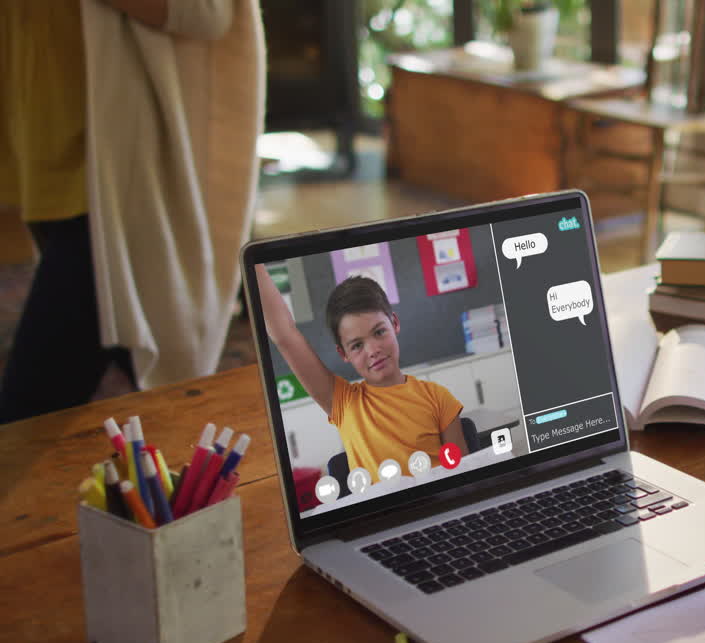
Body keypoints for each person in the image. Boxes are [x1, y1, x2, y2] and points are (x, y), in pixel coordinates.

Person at [0, 0, 264, 422]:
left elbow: (209, 11)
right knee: (147, 384)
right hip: (46, 162)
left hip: (116, 184)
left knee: (26, 412)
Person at [255, 264, 469, 478]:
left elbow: (462, 475)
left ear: (394, 323)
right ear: (343, 353)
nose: (373, 350)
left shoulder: (437, 397)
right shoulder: (342, 402)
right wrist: (253, 261)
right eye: (357, 345)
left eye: (379, 332)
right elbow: (285, 335)